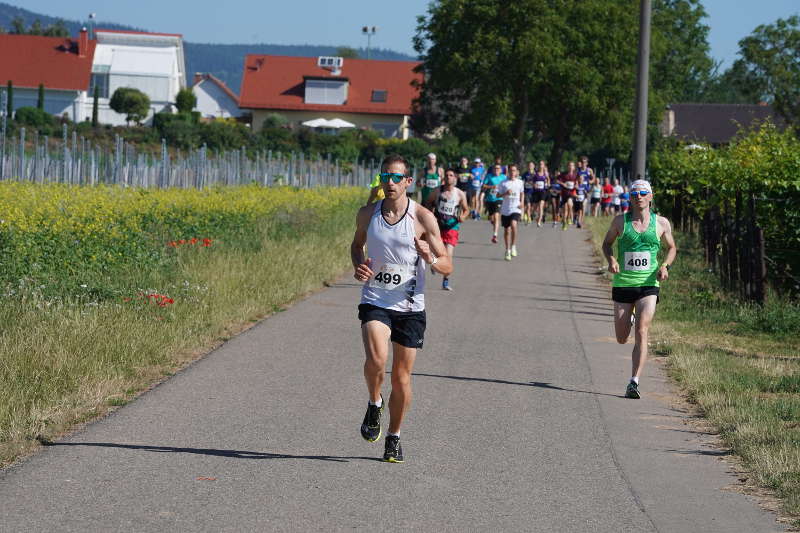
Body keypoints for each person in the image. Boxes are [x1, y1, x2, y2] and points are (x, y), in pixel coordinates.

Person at [352, 154, 453, 462]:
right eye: (385, 177)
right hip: (376, 299)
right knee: (376, 359)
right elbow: (357, 245)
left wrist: (431, 258)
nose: (390, 183)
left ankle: (394, 436)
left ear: (408, 182)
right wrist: (358, 266)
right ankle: (374, 402)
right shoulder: (368, 214)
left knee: (401, 378)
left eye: (397, 178)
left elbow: (447, 266)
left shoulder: (422, 218)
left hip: (410, 306)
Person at [601, 179, 677, 399]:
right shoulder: (619, 222)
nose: (639, 197)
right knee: (622, 338)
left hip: (648, 284)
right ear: (630, 199)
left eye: (643, 193)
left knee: (642, 331)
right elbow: (606, 244)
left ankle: (634, 381)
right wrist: (611, 259)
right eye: (634, 194)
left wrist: (664, 265)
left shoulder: (661, 223)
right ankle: (630, 318)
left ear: (651, 197)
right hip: (624, 283)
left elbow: (672, 248)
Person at [425, 168, 469, 290]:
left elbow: (466, 209)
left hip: (452, 226)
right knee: (437, 252)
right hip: (438, 226)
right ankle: (435, 265)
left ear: (455, 178)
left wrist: (463, 216)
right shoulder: (437, 191)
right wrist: (430, 214)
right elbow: (428, 202)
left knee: (448, 255)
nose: (448, 177)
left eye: (451, 175)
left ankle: (445, 280)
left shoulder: (459, 193)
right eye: (447, 175)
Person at [498, 163, 524, 260]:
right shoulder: (503, 183)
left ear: (517, 172)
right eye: (510, 170)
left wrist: (522, 202)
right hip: (505, 209)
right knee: (507, 230)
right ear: (508, 172)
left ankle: (513, 246)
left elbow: (522, 193)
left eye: (514, 170)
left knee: (514, 224)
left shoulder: (520, 182)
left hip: (516, 208)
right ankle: (507, 250)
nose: (512, 172)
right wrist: (505, 193)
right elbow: (497, 195)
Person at [482, 163, 506, 243]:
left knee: (496, 216)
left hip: (499, 199)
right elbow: (484, 185)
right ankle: (495, 224)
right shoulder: (489, 176)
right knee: (492, 219)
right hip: (489, 200)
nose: (496, 170)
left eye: (498, 168)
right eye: (495, 168)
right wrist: (491, 187)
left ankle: (495, 235)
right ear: (493, 169)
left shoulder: (503, 177)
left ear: (501, 170)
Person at [559, 161, 578, 230]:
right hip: (564, 193)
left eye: (572, 166)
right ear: (567, 166)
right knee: (565, 209)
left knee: (570, 204)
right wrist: (563, 184)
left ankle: (569, 218)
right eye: (569, 165)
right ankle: (564, 222)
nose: (570, 167)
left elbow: (577, 182)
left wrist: (576, 185)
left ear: (574, 167)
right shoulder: (563, 174)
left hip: (571, 193)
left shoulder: (575, 175)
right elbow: (557, 180)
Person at [531, 160, 549, 227]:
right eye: (539, 164)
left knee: (541, 206)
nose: (540, 165)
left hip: (543, 192)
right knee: (535, 207)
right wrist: (534, 185)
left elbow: (548, 180)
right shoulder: (535, 174)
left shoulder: (545, 174)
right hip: (536, 192)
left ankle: (539, 221)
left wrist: (548, 184)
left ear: (544, 165)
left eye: (542, 164)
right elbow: (532, 182)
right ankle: (533, 214)